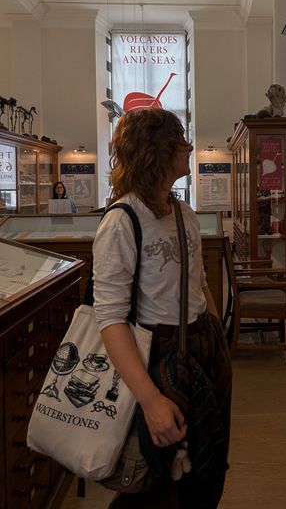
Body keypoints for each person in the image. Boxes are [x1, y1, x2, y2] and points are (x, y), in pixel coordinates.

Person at [92, 108, 232, 508]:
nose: (188, 147)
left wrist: (216, 337)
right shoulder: (121, 221)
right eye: (179, 140)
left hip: (203, 346)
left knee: (207, 467)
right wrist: (151, 400)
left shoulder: (184, 213)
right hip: (156, 353)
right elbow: (111, 318)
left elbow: (200, 282)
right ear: (159, 151)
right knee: (155, 479)